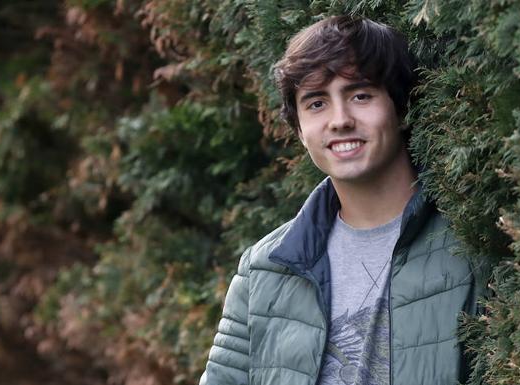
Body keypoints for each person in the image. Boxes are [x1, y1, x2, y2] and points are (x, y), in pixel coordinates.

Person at [200, 15, 484, 385]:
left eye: (360, 95)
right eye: (316, 103)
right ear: (300, 131)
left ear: (400, 108)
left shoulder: (472, 243)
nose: (340, 120)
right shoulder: (264, 270)